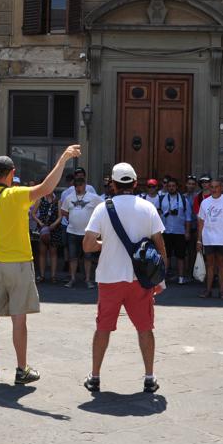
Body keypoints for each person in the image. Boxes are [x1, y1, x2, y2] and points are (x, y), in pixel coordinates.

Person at [0, 145, 82, 386]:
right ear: (12, 173)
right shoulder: (17, 195)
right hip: (19, 265)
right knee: (19, 319)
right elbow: (47, 188)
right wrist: (63, 159)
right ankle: (21, 369)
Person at [82, 162, 167, 394]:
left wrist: (106, 244)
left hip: (110, 277)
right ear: (135, 183)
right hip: (140, 279)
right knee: (145, 328)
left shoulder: (103, 208)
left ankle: (95, 377)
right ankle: (149, 377)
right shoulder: (148, 207)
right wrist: (160, 279)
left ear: (113, 184)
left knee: (103, 328)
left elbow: (87, 245)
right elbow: (160, 245)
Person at [60, 175, 101, 288]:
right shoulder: (69, 197)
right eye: (76, 185)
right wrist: (72, 217)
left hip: (87, 232)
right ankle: (72, 278)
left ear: (85, 185)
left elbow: (102, 207)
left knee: (88, 257)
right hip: (72, 232)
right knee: (72, 257)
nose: (78, 187)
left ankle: (87, 279)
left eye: (80, 185)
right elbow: (63, 211)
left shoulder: (93, 197)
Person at [155, 177, 192, 285]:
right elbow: (156, 214)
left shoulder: (183, 200)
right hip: (165, 231)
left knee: (181, 256)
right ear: (167, 187)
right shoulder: (161, 199)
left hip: (179, 231)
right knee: (166, 255)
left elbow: (188, 217)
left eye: (173, 186)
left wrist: (187, 232)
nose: (171, 188)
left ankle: (181, 277)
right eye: (169, 186)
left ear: (177, 187)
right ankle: (164, 277)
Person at [32, 189, 60, 282]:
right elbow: (33, 213)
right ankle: (42, 275)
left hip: (54, 229)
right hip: (43, 228)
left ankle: (53, 276)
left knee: (53, 252)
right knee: (42, 252)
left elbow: (60, 216)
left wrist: (54, 224)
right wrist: (39, 222)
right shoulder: (40, 199)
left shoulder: (57, 201)